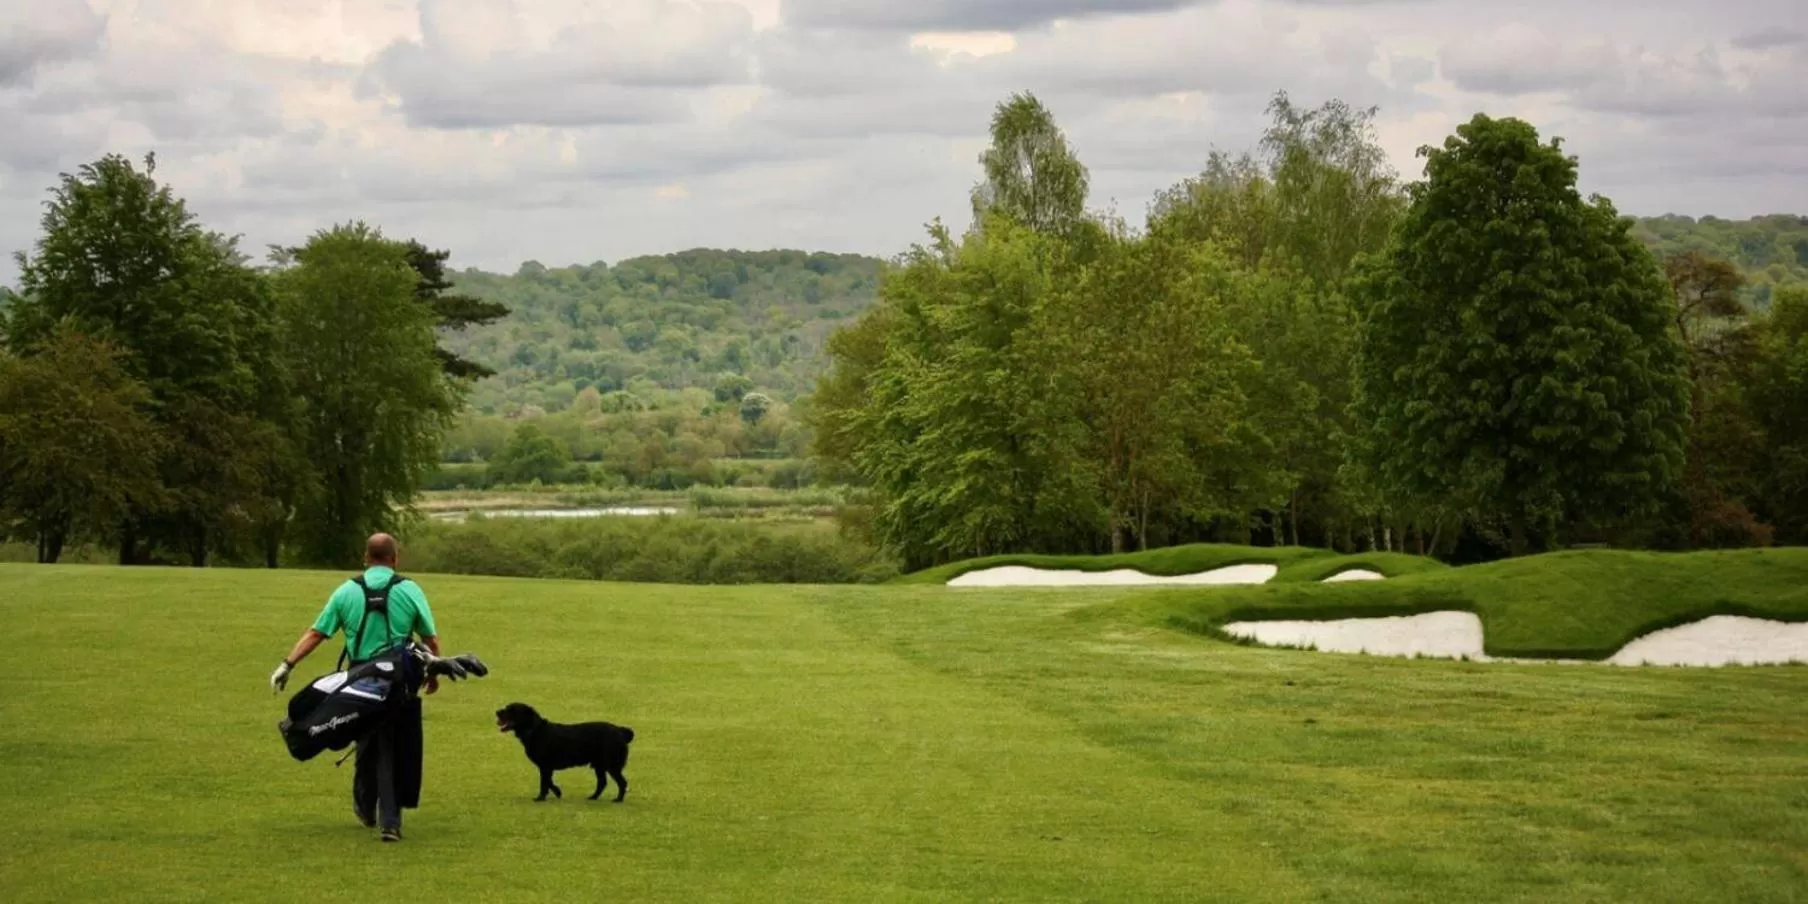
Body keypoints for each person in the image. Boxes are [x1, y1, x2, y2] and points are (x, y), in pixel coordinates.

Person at [270, 532, 440, 843]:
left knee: (364, 738)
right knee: (392, 745)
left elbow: (317, 633)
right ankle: (391, 822)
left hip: (359, 679)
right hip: (399, 679)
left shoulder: (347, 591)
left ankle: (365, 807)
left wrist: (287, 664)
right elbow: (430, 639)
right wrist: (433, 674)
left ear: (365, 557)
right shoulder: (409, 589)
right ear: (395, 558)